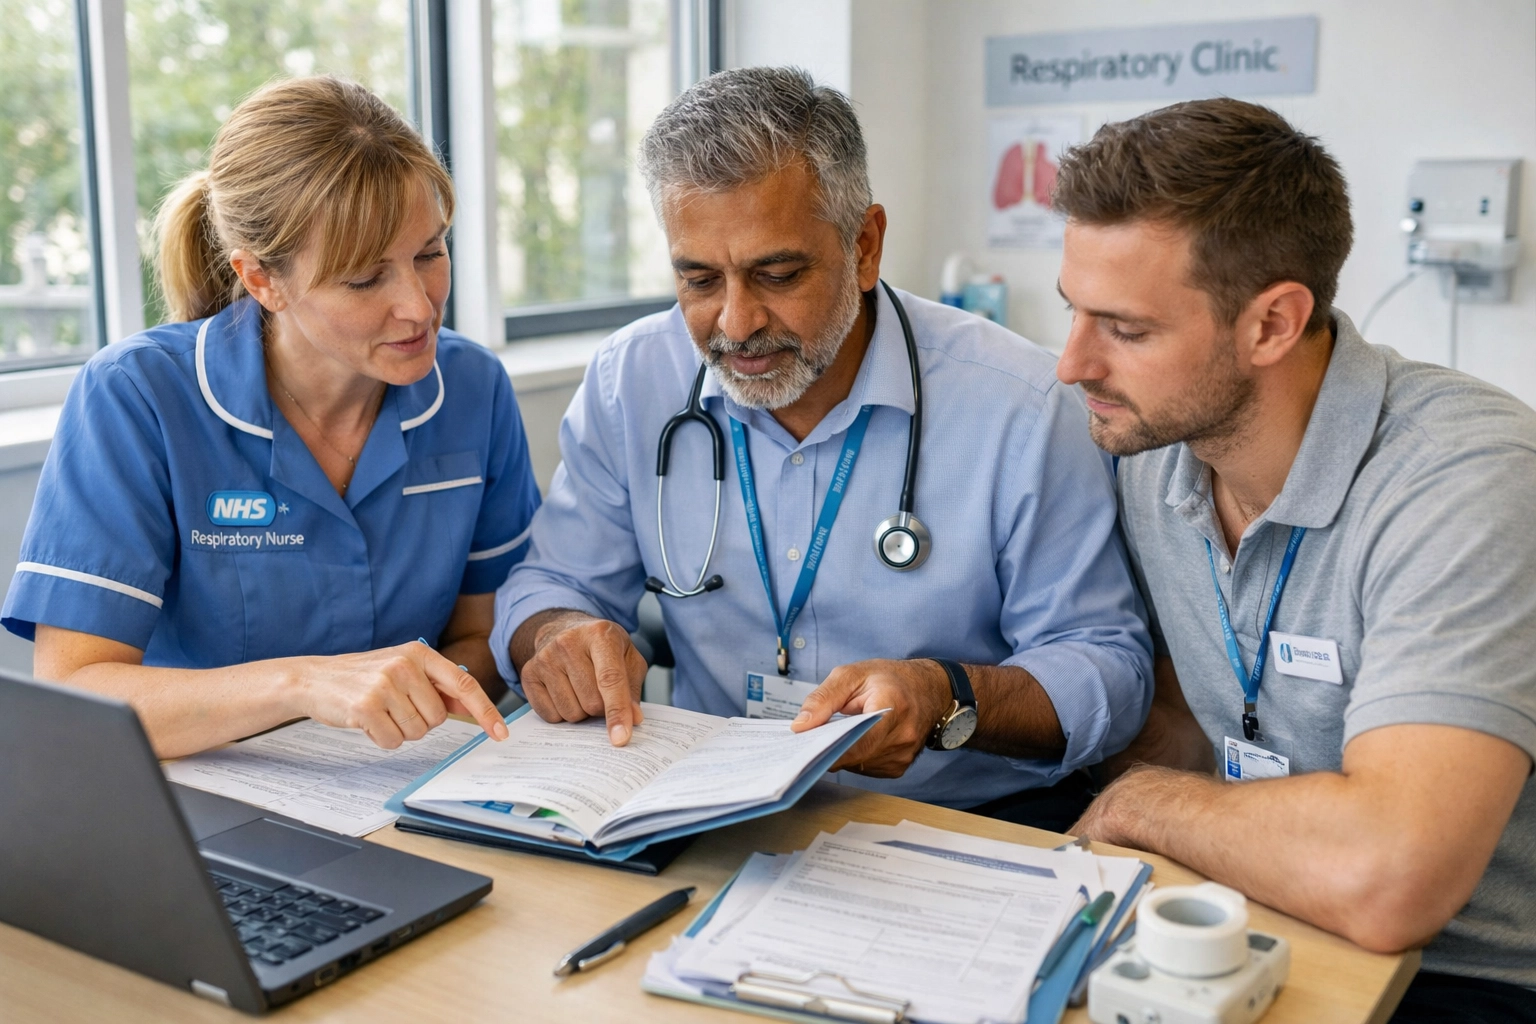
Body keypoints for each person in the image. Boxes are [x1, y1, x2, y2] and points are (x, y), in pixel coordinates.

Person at [490, 67, 1152, 829]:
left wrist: (947, 696)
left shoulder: (1023, 405)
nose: (735, 324)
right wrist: (561, 633)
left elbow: (1107, 663)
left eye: (777, 274)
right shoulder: (629, 381)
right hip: (714, 816)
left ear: (865, 246)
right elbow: (550, 582)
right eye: (699, 279)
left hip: (960, 824)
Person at [1052, 99, 1536, 1021]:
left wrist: (1143, 803)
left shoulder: (1468, 483)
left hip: (1462, 977)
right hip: (1240, 916)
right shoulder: (1153, 447)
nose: (1073, 364)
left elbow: (1393, 877)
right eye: (1075, 311)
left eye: (1126, 328)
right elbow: (1180, 717)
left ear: (1272, 323)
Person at [1, 76, 537, 758]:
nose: (420, 306)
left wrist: (416, 704)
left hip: (400, 788)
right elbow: (75, 694)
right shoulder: (135, 396)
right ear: (261, 279)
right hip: (201, 808)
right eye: (366, 278)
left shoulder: (472, 388)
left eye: (430, 253)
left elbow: (484, 633)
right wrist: (302, 686)